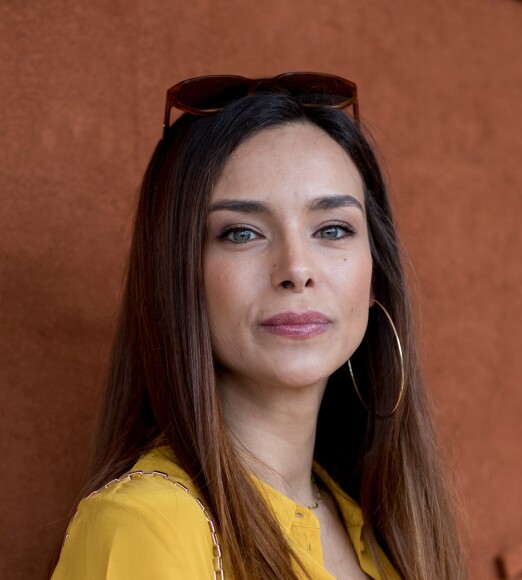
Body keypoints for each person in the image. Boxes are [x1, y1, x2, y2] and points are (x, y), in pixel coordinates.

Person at [49, 73, 465, 579]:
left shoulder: (378, 532)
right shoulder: (147, 523)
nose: (296, 268)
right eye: (241, 232)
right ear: (177, 278)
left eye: (333, 228)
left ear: (376, 274)